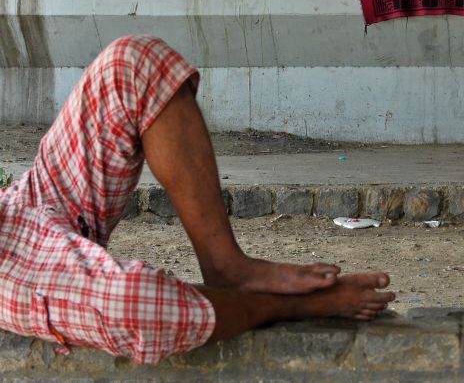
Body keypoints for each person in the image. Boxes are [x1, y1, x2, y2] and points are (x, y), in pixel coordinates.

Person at [0, 35, 395, 364]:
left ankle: (227, 266)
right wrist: (287, 309)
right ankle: (283, 305)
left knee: (133, 65)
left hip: (19, 209)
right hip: (9, 266)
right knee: (139, 306)